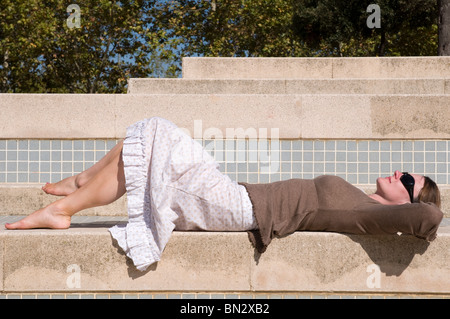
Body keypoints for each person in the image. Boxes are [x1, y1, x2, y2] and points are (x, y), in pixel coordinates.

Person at [4, 117, 443, 271]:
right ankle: (80, 183)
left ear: (407, 202)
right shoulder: (361, 201)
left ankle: (61, 208)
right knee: (160, 133)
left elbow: (427, 221)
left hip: (240, 208)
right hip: (236, 195)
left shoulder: (368, 213)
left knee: (162, 151)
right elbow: (418, 213)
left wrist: (429, 216)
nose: (399, 172)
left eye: (409, 181)